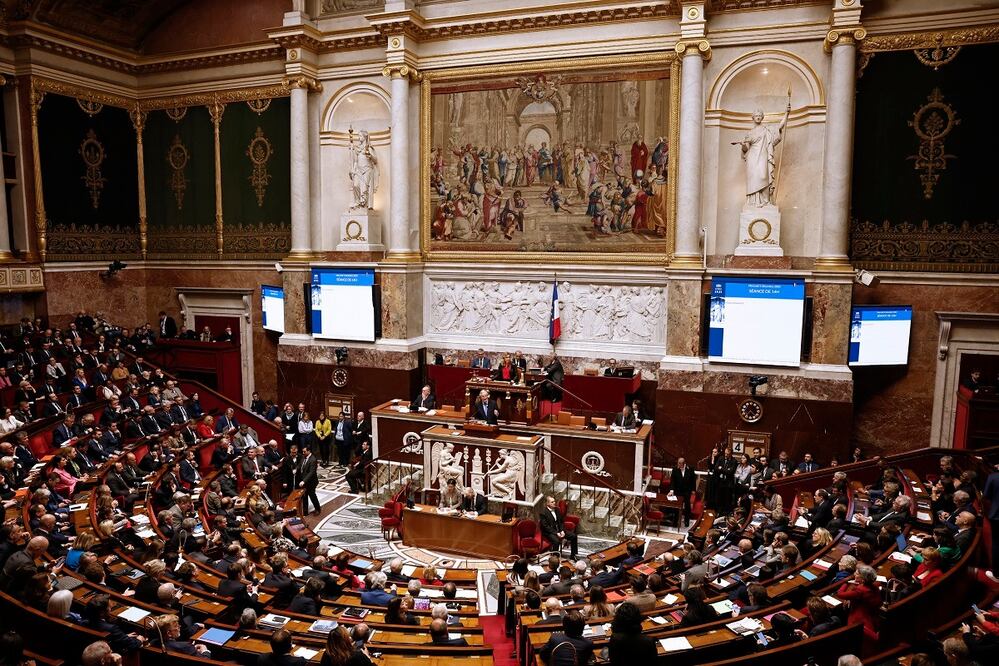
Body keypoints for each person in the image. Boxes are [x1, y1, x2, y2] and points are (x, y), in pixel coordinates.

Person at [836, 565, 881, 641]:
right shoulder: (875, 586)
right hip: (872, 615)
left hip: (858, 618)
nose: (854, 574)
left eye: (857, 574)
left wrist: (846, 582)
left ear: (863, 579)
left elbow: (839, 594)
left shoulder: (860, 591)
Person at [670, 457, 696, 525]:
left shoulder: (690, 469)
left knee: (687, 506)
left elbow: (693, 480)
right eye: (678, 463)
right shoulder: (675, 469)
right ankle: (675, 521)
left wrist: (693, 490)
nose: (678, 465)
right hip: (678, 491)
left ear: (683, 463)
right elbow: (672, 481)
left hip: (687, 491)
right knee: (676, 506)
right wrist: (672, 490)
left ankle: (686, 520)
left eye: (679, 463)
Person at [299, 446, 320, 515]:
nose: (303, 453)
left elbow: (311, 472)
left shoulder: (313, 460)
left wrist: (304, 481)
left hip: (311, 482)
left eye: (304, 451)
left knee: (312, 496)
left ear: (309, 451)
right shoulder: (303, 457)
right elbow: (300, 465)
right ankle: (305, 511)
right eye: (303, 451)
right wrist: (296, 469)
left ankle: (318, 509)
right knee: (304, 496)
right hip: (304, 481)